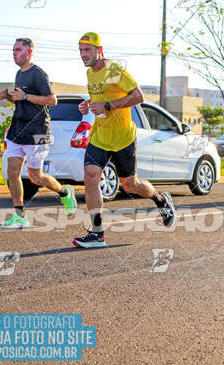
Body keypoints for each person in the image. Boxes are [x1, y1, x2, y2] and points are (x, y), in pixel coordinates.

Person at [73, 32, 176, 248]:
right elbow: (101, 97)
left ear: (100, 50)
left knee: (130, 185)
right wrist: (89, 104)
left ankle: (160, 200)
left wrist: (108, 106)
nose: (83, 54)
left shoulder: (114, 70)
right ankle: (97, 233)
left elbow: (138, 96)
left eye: (88, 50)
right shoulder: (91, 73)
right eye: (81, 50)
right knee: (90, 176)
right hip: (101, 135)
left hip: (122, 137)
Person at [0, 37, 76, 228]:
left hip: (37, 130)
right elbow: (21, 102)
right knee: (13, 172)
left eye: (18, 50)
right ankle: (19, 216)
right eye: (13, 50)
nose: (14, 53)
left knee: (36, 177)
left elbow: (52, 100)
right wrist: (9, 97)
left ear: (29, 52)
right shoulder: (19, 74)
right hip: (18, 129)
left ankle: (64, 193)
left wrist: (24, 95)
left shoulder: (38, 74)